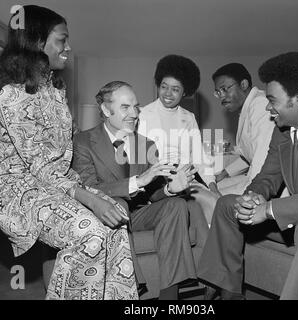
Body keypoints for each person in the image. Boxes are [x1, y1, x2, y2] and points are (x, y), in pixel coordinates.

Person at [0, 5, 138, 300]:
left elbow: (64, 155)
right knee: (91, 232)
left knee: (116, 222)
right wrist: (89, 198)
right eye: (62, 40)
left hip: (56, 185)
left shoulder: (55, 91)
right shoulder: (11, 96)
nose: (68, 47)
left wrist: (97, 194)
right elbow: (40, 167)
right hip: (20, 193)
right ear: (38, 43)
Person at [198, 51, 298, 300]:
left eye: (272, 99)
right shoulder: (282, 131)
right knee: (228, 204)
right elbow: (268, 176)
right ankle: (228, 294)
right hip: (296, 217)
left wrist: (270, 209)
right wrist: (252, 198)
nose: (267, 106)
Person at [72, 80, 208, 300]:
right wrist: (138, 180)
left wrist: (171, 189)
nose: (134, 114)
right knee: (120, 203)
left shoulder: (145, 144)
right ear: (106, 110)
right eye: (125, 107)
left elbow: (154, 193)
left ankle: (170, 295)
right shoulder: (83, 142)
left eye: (136, 107)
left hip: (139, 214)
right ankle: (135, 289)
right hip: (108, 215)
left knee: (176, 204)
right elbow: (91, 189)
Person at [138, 54, 220, 224]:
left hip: (185, 177)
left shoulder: (188, 117)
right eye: (164, 86)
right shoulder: (143, 115)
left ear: (185, 92)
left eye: (175, 89)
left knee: (213, 204)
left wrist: (212, 186)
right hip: (157, 181)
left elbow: (198, 156)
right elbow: (139, 159)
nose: (168, 93)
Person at [212, 63, 275, 196]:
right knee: (213, 188)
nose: (222, 96)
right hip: (256, 174)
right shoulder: (249, 107)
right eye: (218, 92)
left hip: (264, 182)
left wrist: (249, 193)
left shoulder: (260, 105)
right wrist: (225, 173)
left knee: (212, 198)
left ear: (244, 84)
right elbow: (249, 153)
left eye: (225, 89)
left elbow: (261, 159)